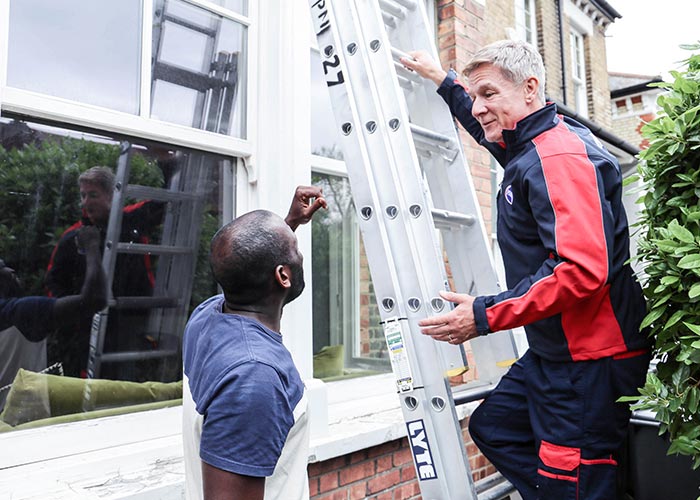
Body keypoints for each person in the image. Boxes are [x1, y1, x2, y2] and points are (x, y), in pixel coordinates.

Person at [401, 40, 651, 499]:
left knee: (574, 481)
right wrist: (443, 80)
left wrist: (482, 315)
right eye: (474, 97)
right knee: (495, 426)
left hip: (590, 359)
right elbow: (489, 128)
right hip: (560, 350)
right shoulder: (530, 144)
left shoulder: (556, 158)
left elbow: (578, 271)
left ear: (530, 88)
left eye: (489, 95)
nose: (478, 108)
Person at [182, 186, 327, 500]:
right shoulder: (254, 376)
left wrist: (288, 225)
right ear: (283, 276)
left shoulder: (206, 317)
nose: (301, 255)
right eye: (296, 250)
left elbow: (245, 268)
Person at [45, 166, 164, 378]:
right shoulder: (73, 237)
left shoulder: (130, 220)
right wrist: (71, 311)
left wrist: (166, 162)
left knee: (128, 380)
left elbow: (165, 203)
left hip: (132, 319)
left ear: (111, 195)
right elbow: (53, 282)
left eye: (93, 195)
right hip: (91, 325)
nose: (86, 202)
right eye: (83, 196)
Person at [0, 226, 106, 408]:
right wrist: (92, 244)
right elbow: (94, 299)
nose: (11, 270)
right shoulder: (19, 313)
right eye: (2, 267)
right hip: (18, 425)